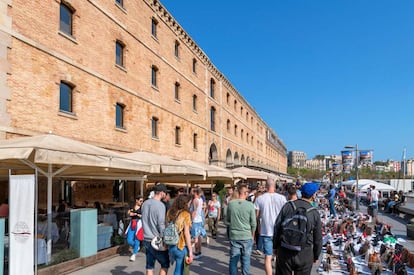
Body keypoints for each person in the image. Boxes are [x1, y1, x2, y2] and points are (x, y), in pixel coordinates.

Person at [273, 182, 322, 275]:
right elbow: (318, 238)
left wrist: (275, 246)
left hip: (284, 249)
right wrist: (316, 256)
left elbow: (277, 226)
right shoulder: (314, 212)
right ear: (313, 195)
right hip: (305, 253)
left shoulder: (288, 206)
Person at [254, 177, 287, 275]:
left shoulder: (260, 198)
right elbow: (285, 214)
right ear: (274, 186)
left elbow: (256, 215)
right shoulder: (282, 198)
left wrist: (259, 225)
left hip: (266, 230)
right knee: (280, 256)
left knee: (268, 257)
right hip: (280, 231)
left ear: (266, 186)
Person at [227, 184, 256, 275]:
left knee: (233, 260)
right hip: (246, 235)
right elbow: (253, 223)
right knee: (246, 260)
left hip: (235, 235)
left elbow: (227, 220)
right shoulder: (250, 205)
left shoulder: (231, 204)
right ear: (244, 193)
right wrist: (253, 235)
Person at [141, 182, 170, 275]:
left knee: (149, 266)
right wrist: (165, 239)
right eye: (165, 192)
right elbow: (161, 224)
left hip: (146, 237)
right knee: (165, 264)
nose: (165, 194)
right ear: (161, 193)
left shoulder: (145, 203)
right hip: (157, 239)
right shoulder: (160, 205)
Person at [166, 194, 193, 275]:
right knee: (179, 270)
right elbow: (186, 233)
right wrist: (191, 251)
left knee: (179, 270)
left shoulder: (170, 212)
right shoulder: (185, 214)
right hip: (181, 245)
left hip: (170, 244)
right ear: (186, 203)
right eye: (189, 203)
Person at [190, 187, 206, 259]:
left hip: (195, 220)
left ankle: (196, 252)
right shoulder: (201, 200)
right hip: (200, 219)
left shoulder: (195, 200)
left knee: (195, 237)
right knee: (199, 237)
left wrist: (191, 220)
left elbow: (194, 211)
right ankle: (199, 251)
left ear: (195, 193)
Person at [127, 196, 143, 262]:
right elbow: (128, 212)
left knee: (137, 238)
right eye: (140, 201)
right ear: (136, 200)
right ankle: (136, 247)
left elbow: (144, 215)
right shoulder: (132, 206)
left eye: (142, 201)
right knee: (129, 239)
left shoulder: (142, 208)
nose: (141, 202)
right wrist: (131, 214)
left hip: (139, 223)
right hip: (132, 222)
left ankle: (134, 254)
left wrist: (139, 215)